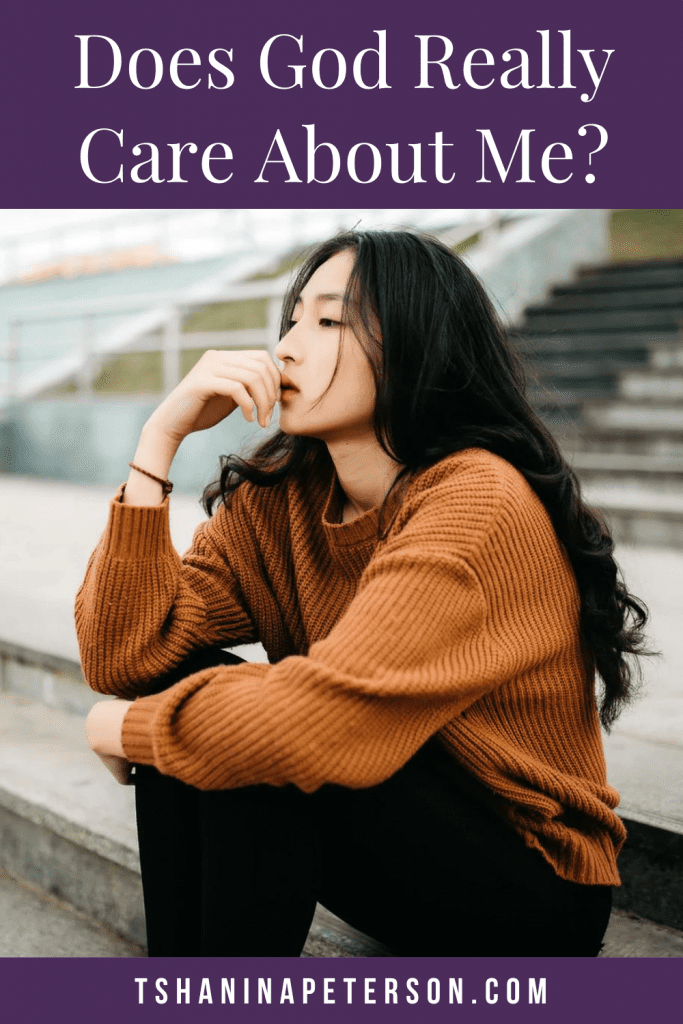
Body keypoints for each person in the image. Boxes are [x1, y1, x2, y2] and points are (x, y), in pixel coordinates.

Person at [76, 229, 649, 957]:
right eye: (291, 318)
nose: (286, 346)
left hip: (526, 878)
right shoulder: (280, 500)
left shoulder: (476, 500)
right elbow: (126, 657)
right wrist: (157, 442)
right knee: (206, 698)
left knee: (261, 733)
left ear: (415, 345)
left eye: (327, 321)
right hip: (387, 833)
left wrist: (126, 730)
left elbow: (325, 721)